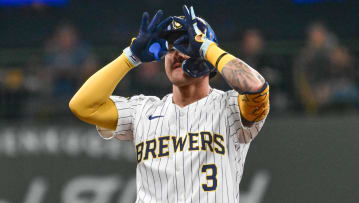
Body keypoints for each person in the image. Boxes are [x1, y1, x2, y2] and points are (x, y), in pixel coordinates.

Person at [69, 5, 269, 203]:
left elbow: (256, 88)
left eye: (185, 45)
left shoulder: (229, 107)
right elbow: (82, 105)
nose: (175, 53)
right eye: (169, 48)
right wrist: (130, 57)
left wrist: (207, 48)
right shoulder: (143, 109)